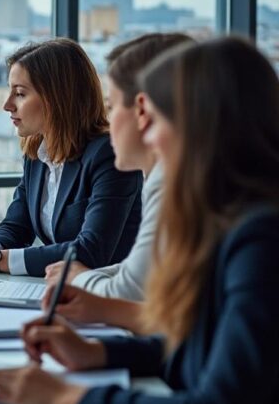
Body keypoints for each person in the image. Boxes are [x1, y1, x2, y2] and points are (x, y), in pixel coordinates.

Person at [0, 37, 279, 404]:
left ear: (196, 126)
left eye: (152, 117)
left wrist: (67, 399)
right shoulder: (227, 223)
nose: (145, 134)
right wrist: (97, 352)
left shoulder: (260, 240)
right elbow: (204, 350)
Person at [0, 38, 142, 276]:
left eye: (19, 93)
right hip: (61, 290)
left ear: (57, 98)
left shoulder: (109, 155)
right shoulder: (37, 152)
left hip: (108, 296)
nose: (7, 105)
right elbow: (17, 226)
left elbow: (91, 251)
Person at [38, 33, 192, 332]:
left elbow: (130, 291)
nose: (107, 122)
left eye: (110, 107)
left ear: (143, 111)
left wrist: (79, 277)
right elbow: (139, 275)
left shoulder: (176, 182)